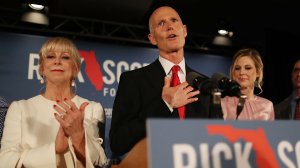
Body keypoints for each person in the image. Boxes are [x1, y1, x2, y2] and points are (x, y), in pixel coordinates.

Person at [109, 6, 211, 157]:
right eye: (161, 23)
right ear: (152, 39)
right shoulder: (133, 80)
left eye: (174, 20)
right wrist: (164, 105)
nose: (170, 26)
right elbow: (118, 143)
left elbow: (214, 140)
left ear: (184, 30)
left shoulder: (205, 84)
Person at [0, 37, 107, 167]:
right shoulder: (19, 108)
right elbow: (5, 161)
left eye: (65, 57)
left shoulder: (91, 108)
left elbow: (100, 162)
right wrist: (54, 149)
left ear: (76, 69)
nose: (57, 61)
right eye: (50, 57)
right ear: (41, 68)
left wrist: (78, 136)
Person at [221, 48, 275, 120]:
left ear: (258, 72)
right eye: (237, 68)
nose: (241, 72)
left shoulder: (267, 105)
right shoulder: (223, 103)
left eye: (248, 68)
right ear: (233, 72)